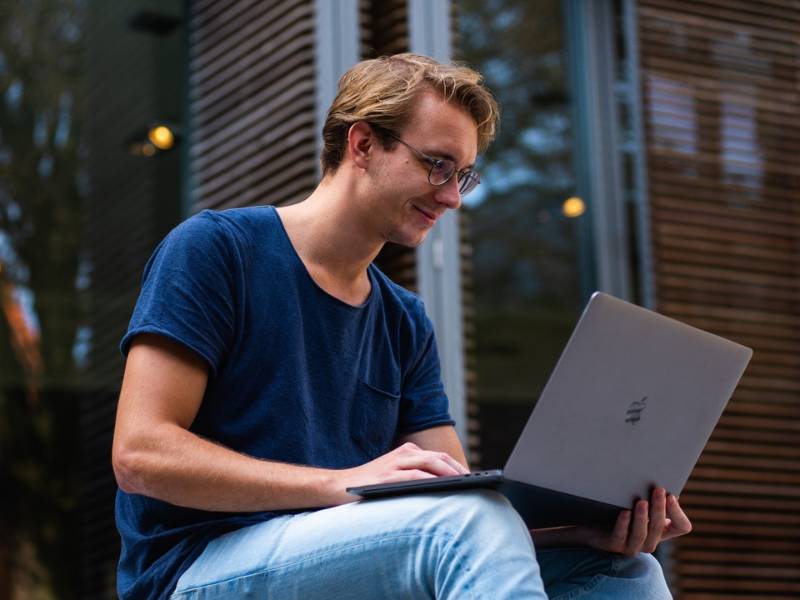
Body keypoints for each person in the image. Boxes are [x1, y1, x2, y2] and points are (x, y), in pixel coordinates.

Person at [111, 53, 691, 600]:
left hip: (345, 558)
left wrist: (576, 532)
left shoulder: (403, 319)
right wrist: (342, 483)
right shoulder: (217, 251)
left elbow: (459, 507)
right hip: (197, 568)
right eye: (437, 165)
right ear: (362, 143)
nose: (451, 198)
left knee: (624, 571)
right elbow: (140, 455)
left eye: (463, 176)